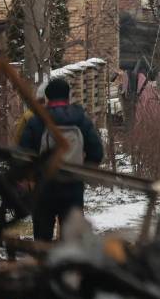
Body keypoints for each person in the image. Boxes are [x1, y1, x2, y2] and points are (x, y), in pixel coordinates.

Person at [19, 78, 104, 241]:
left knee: (42, 237)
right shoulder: (81, 120)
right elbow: (97, 152)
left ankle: (43, 264)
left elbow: (23, 153)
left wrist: (30, 177)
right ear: (68, 96)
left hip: (44, 186)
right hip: (73, 186)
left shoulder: (37, 120)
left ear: (47, 97)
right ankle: (68, 265)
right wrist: (82, 171)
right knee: (71, 239)